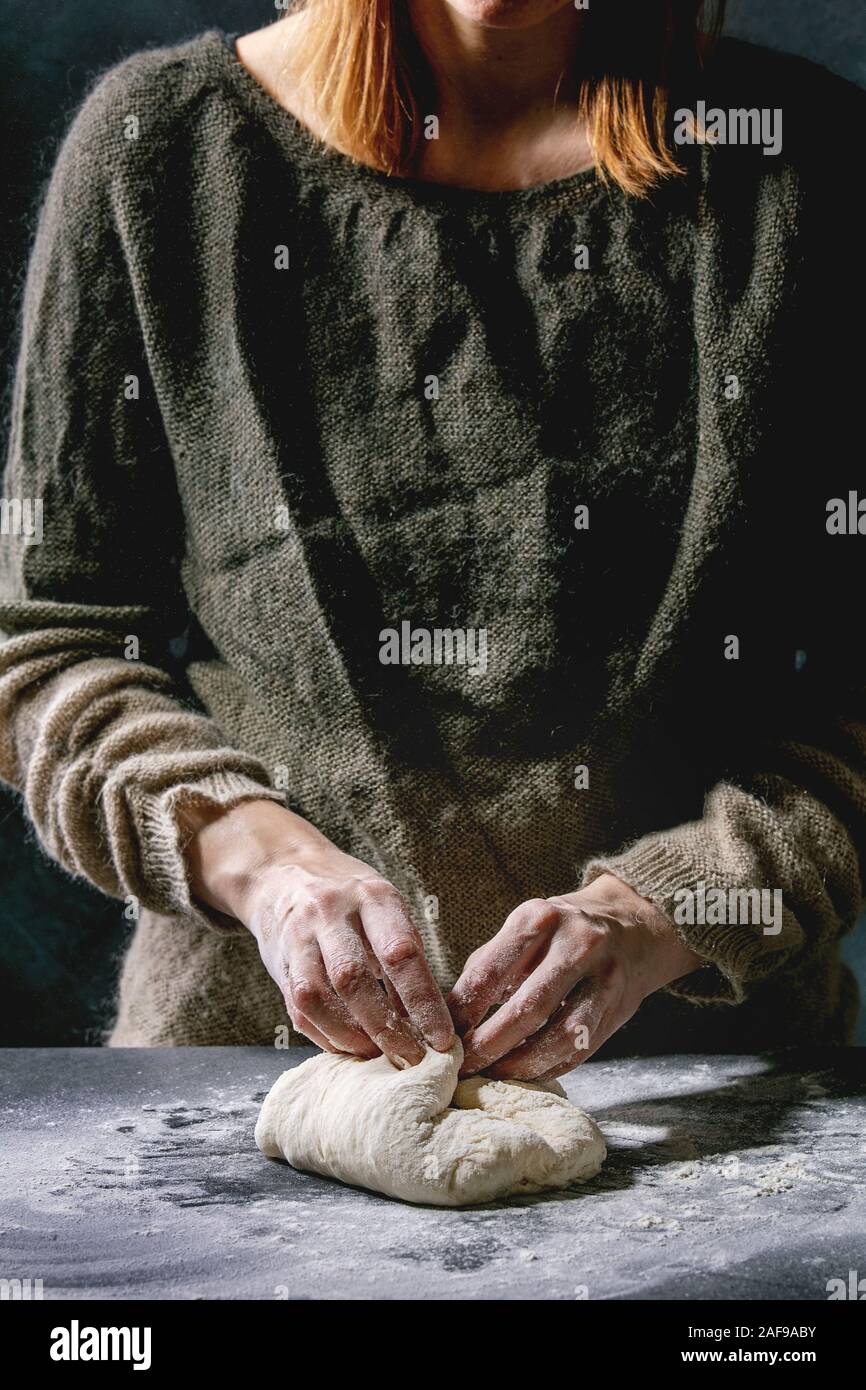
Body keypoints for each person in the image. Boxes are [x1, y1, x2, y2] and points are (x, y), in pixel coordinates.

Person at [1, 0, 863, 1075]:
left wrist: (668, 910)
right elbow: (50, 647)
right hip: (242, 1084)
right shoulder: (159, 151)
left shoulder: (807, 159)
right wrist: (264, 864)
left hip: (718, 1093)